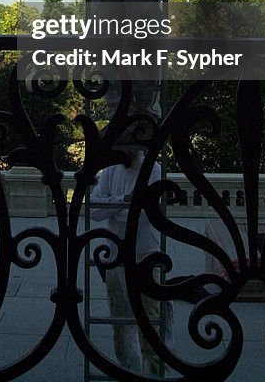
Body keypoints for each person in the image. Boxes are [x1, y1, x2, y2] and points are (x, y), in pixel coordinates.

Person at [90, 149, 172, 375]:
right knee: (120, 322)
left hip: (144, 254)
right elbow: (95, 209)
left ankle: (153, 372)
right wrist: (124, 201)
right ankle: (128, 370)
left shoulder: (153, 170)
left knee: (150, 323)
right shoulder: (110, 171)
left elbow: (141, 213)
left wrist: (113, 206)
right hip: (117, 255)